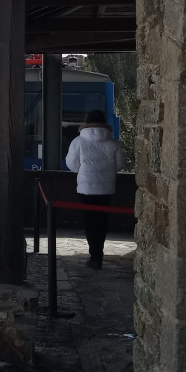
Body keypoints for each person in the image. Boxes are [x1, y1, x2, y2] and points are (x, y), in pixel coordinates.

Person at [65, 110, 125, 269]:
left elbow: (72, 165)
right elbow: (119, 166)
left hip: (86, 188)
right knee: (102, 221)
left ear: (87, 122)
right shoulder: (113, 143)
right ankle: (99, 253)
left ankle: (94, 256)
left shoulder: (78, 142)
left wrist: (83, 171)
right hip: (107, 188)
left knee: (89, 221)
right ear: (104, 123)